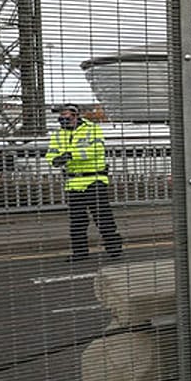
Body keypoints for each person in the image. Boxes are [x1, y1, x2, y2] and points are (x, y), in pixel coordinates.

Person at [46, 104, 123, 262]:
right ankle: (80, 252)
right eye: (61, 118)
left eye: (66, 118)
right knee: (77, 221)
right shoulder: (58, 134)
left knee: (102, 217)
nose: (63, 121)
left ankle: (114, 248)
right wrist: (54, 160)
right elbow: (52, 153)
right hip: (73, 182)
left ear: (76, 116)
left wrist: (70, 155)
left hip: (94, 179)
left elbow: (97, 150)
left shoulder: (92, 129)